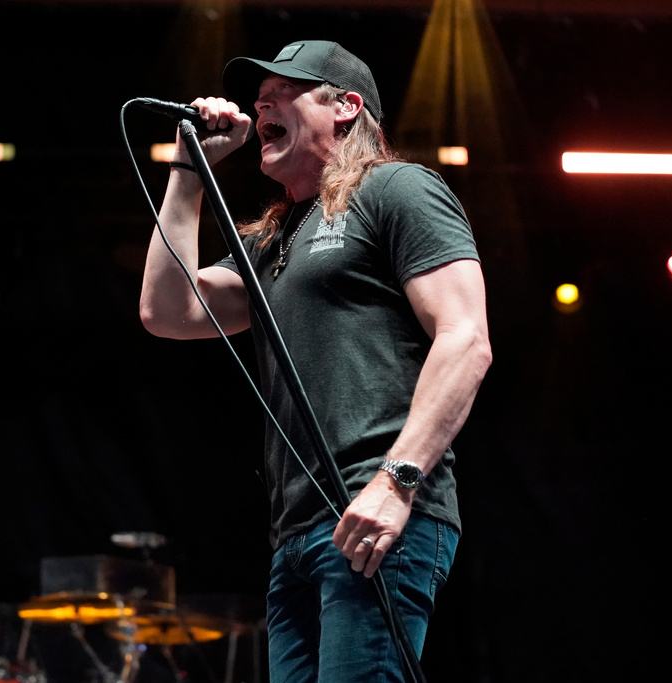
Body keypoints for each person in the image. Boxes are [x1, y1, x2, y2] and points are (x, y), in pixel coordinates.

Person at [139, 40, 492, 681]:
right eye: (259, 96)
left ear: (347, 107)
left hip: (378, 510)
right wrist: (189, 170)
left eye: (286, 91)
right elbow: (168, 312)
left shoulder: (398, 188)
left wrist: (397, 481)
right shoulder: (274, 237)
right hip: (297, 534)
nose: (261, 104)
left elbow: (466, 338)